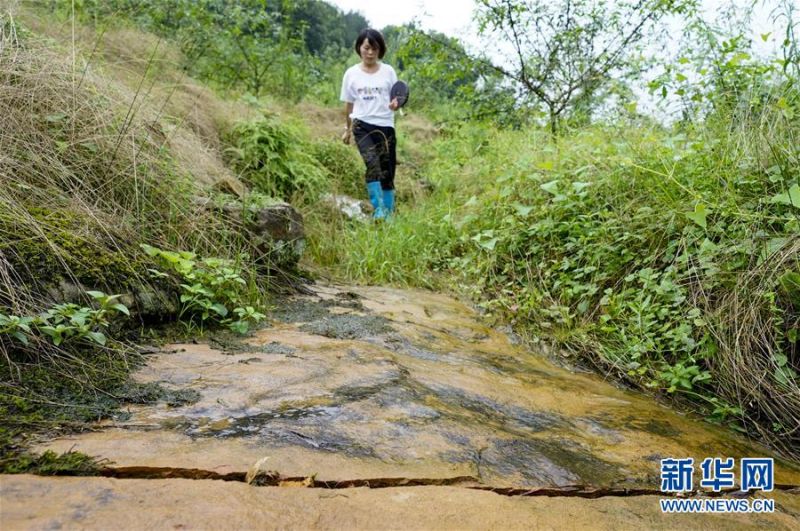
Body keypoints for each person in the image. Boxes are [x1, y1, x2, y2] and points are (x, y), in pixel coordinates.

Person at [340, 28, 400, 219]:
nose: (370, 52)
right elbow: (348, 105)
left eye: (374, 48)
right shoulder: (351, 74)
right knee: (372, 164)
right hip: (361, 125)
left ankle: (389, 212)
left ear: (380, 50)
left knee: (387, 168)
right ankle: (379, 209)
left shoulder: (388, 71)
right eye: (367, 48)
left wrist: (395, 103)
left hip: (385, 126)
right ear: (359, 48)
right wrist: (347, 130)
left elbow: (397, 98)